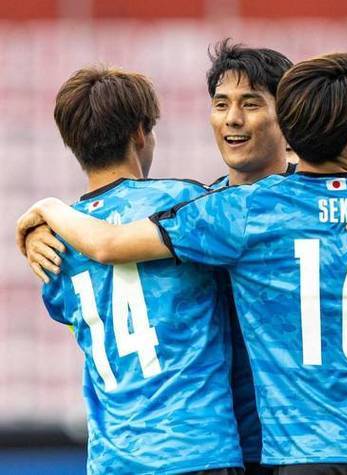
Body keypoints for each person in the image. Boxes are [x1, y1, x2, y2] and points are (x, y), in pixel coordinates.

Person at [17, 52, 347, 474]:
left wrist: (51, 215)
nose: (233, 118)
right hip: (253, 446)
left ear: (287, 119)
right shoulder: (207, 208)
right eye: (221, 104)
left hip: (265, 447)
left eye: (251, 103)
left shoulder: (219, 212)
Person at [36, 65, 244, 474]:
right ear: (139, 133)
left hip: (113, 459)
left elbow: (64, 308)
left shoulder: (57, 239)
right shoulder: (183, 202)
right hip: (194, 449)